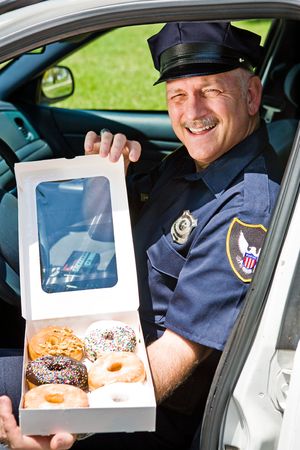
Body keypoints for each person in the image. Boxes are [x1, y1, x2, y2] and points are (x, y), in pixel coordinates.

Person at [0, 21, 283, 450]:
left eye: (210, 91)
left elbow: (181, 352)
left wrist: (77, 418)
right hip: (104, 337)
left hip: (142, 402)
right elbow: (144, 227)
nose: (192, 113)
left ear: (251, 95)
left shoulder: (244, 210)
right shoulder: (192, 162)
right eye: (177, 96)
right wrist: (106, 177)